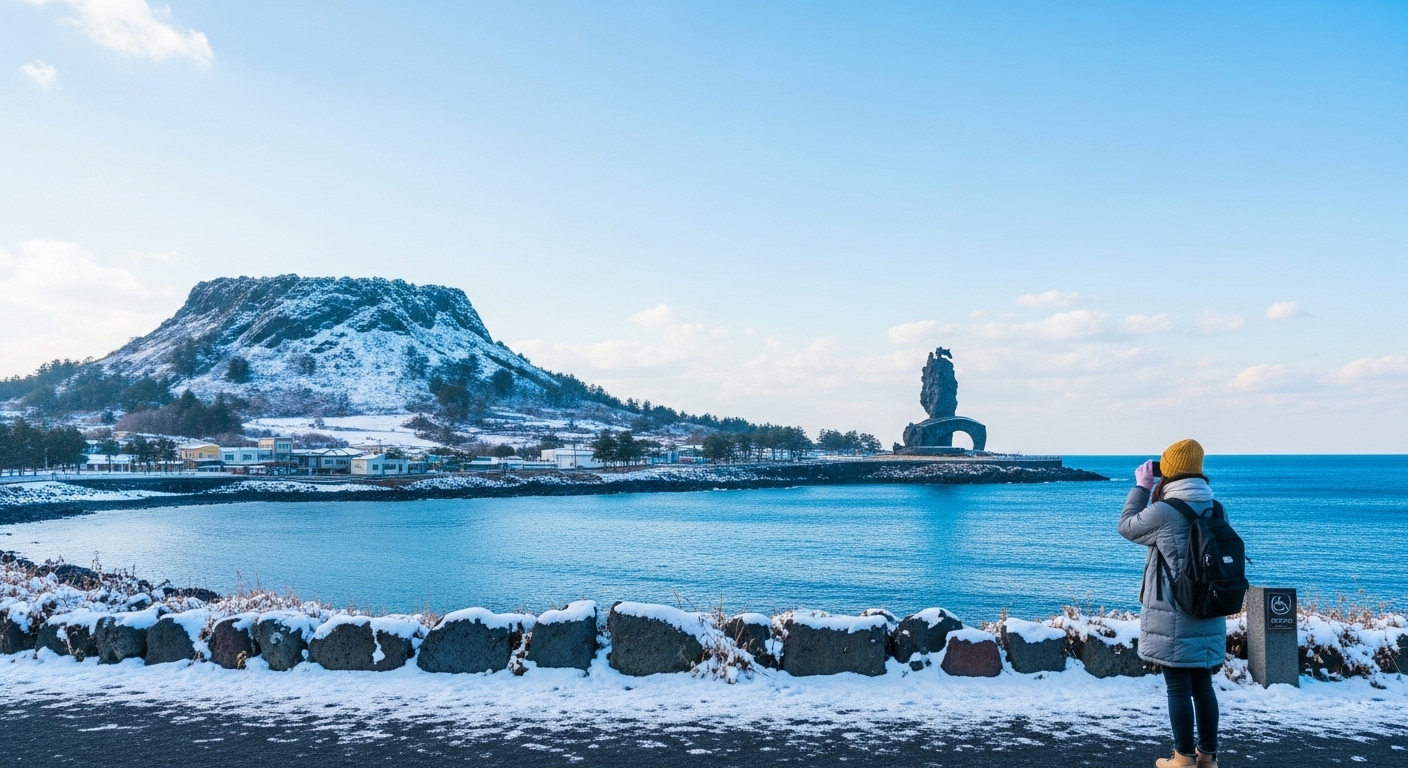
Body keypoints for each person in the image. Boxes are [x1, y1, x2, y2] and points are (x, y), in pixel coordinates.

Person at [1120, 439, 1224, 768]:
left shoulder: (1165, 511)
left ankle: (1182, 758)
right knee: (1203, 684)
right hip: (1208, 607)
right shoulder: (1215, 508)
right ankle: (1207, 757)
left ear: (1170, 471)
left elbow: (1127, 527)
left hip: (1173, 610)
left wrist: (1141, 487)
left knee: (1177, 684)